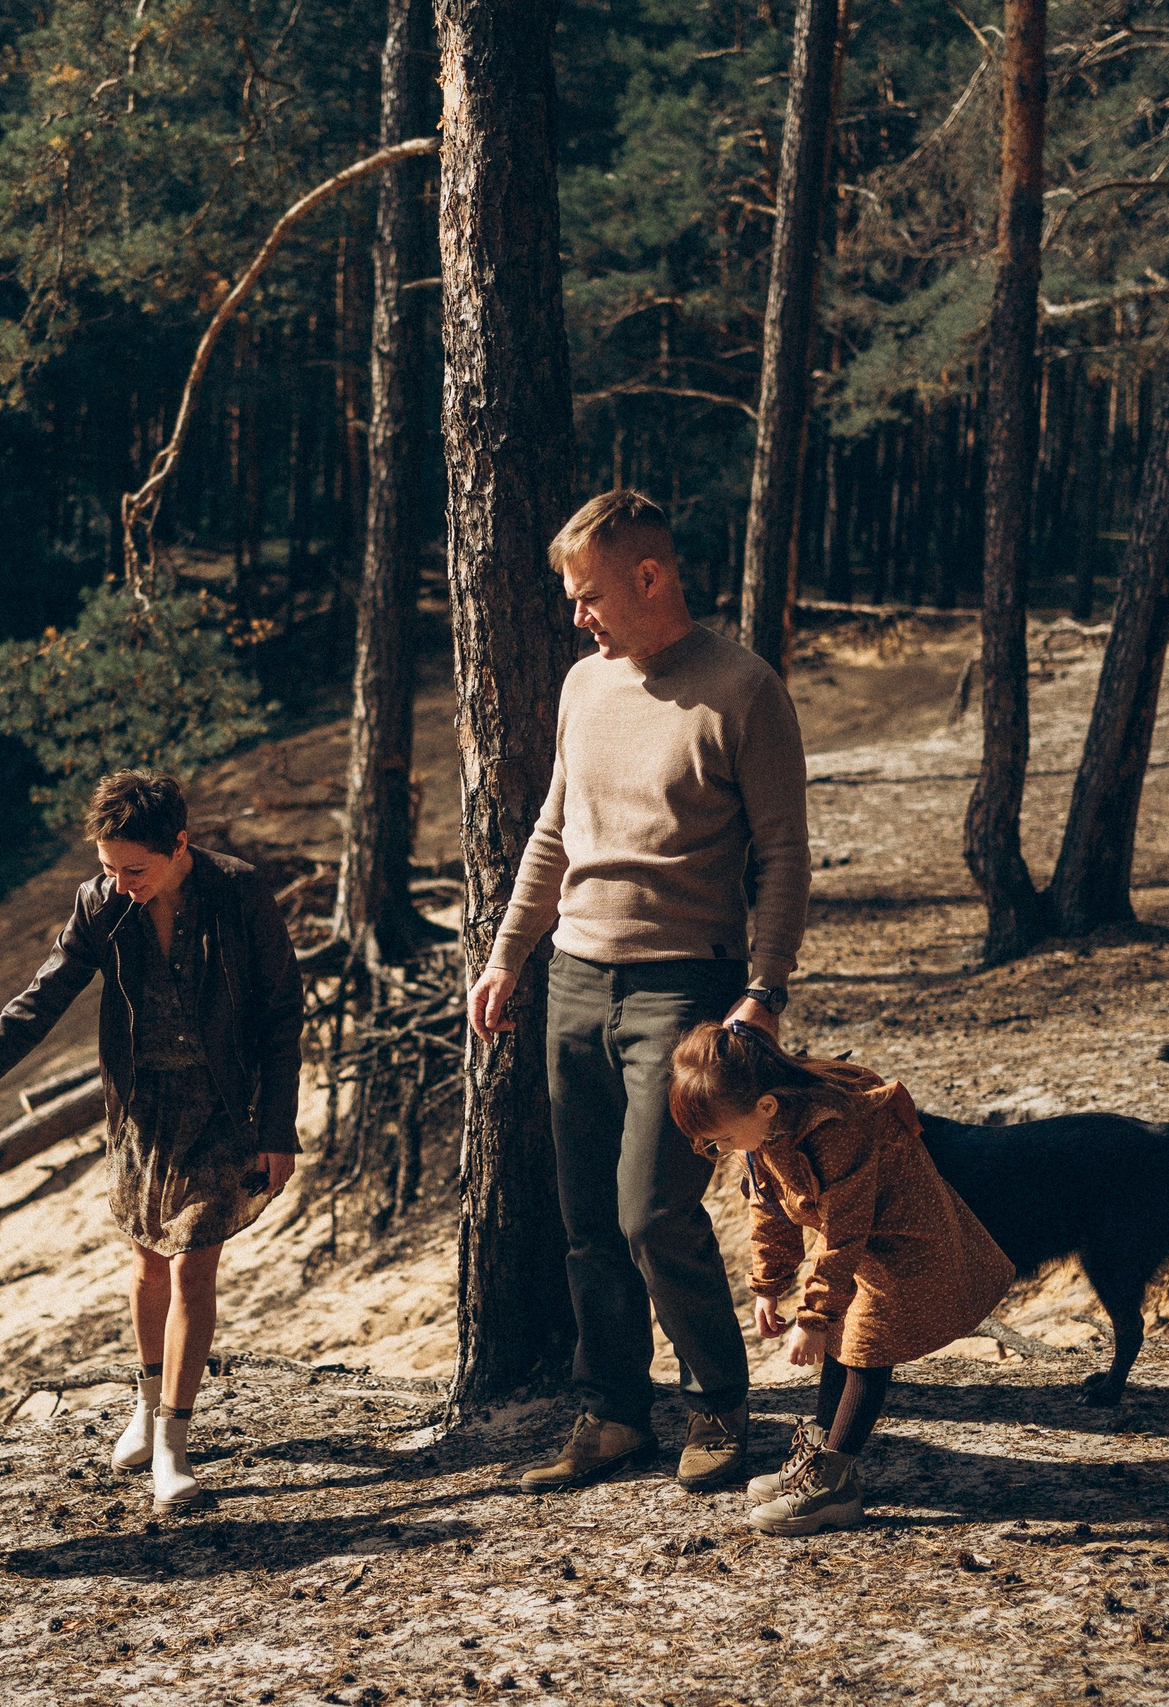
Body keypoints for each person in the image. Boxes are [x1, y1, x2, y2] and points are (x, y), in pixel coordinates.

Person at [468, 489, 812, 1494]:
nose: (578, 613)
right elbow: (550, 833)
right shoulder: (584, 687)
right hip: (573, 977)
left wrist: (767, 990)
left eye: (588, 594)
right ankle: (612, 1413)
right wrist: (506, 956)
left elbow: (784, 856)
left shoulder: (743, 690)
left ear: (649, 577)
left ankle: (720, 1405)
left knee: (649, 1210)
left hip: (682, 985)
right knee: (584, 1221)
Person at [0, 770, 302, 1512]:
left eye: (136, 868)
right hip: (141, 1111)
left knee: (194, 1267)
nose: (121, 883)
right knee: (146, 1266)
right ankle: (145, 1397)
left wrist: (278, 1127)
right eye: (108, 868)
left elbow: (281, 1011)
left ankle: (173, 1441)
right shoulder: (100, 905)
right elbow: (33, 1008)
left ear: (180, 844)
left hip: (224, 1108)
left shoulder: (240, 893)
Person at [669, 1019, 1014, 1535]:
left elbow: (844, 1230)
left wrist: (814, 1315)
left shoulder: (831, 1127)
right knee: (843, 1339)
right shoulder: (757, 1135)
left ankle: (835, 1485)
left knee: (865, 1349)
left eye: (718, 1139)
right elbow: (769, 1209)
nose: (717, 1151)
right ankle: (819, 1459)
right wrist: (769, 1284)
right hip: (856, 1246)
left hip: (905, 1242)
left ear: (765, 1106)